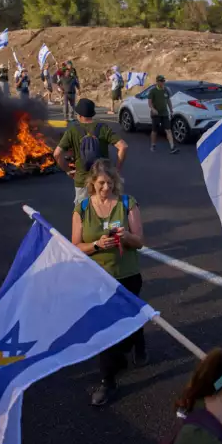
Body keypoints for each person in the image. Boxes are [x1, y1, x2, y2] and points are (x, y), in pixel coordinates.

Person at [71, 159, 146, 406]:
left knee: (128, 321)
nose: (106, 187)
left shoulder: (127, 203)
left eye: (110, 182)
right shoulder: (82, 208)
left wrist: (127, 236)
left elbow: (140, 242)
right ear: (92, 183)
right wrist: (96, 245)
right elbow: (75, 246)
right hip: (97, 279)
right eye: (102, 183)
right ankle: (108, 381)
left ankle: (136, 338)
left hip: (127, 276)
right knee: (104, 328)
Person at [54, 99, 128, 205]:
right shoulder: (103, 128)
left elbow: (57, 154)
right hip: (103, 179)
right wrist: (116, 169)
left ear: (79, 115)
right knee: (105, 209)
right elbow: (123, 146)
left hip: (82, 180)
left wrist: (68, 170)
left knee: (83, 211)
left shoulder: (72, 131)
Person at [147, 75, 180, 155]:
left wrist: (171, 110)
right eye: (161, 81)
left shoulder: (165, 90)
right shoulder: (153, 91)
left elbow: (168, 101)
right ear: (157, 82)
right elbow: (150, 103)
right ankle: (153, 145)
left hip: (164, 113)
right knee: (154, 130)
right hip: (156, 114)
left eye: (163, 81)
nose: (162, 83)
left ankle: (172, 147)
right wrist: (153, 109)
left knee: (168, 130)